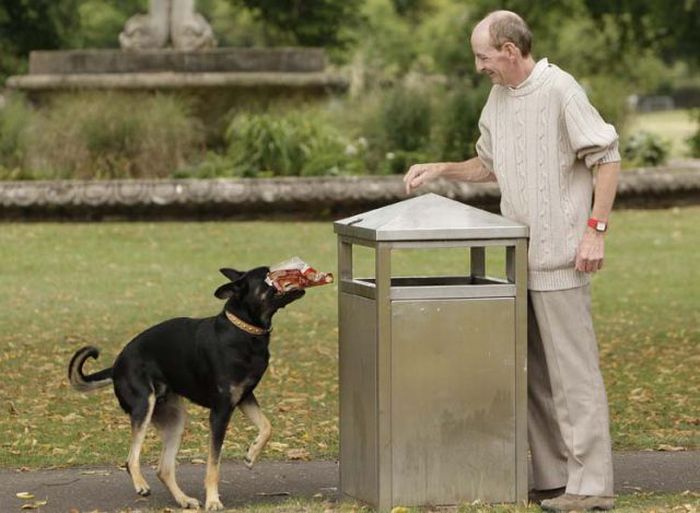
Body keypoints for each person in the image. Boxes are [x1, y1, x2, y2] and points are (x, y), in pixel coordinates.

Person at [403, 10, 619, 512]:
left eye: (483, 56)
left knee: (574, 377)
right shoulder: (499, 98)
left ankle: (592, 488)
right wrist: (442, 169)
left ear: (509, 49)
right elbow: (489, 164)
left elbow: (606, 158)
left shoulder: (561, 90)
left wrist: (595, 231)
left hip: (563, 256)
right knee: (535, 376)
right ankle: (552, 479)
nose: (479, 66)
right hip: (518, 259)